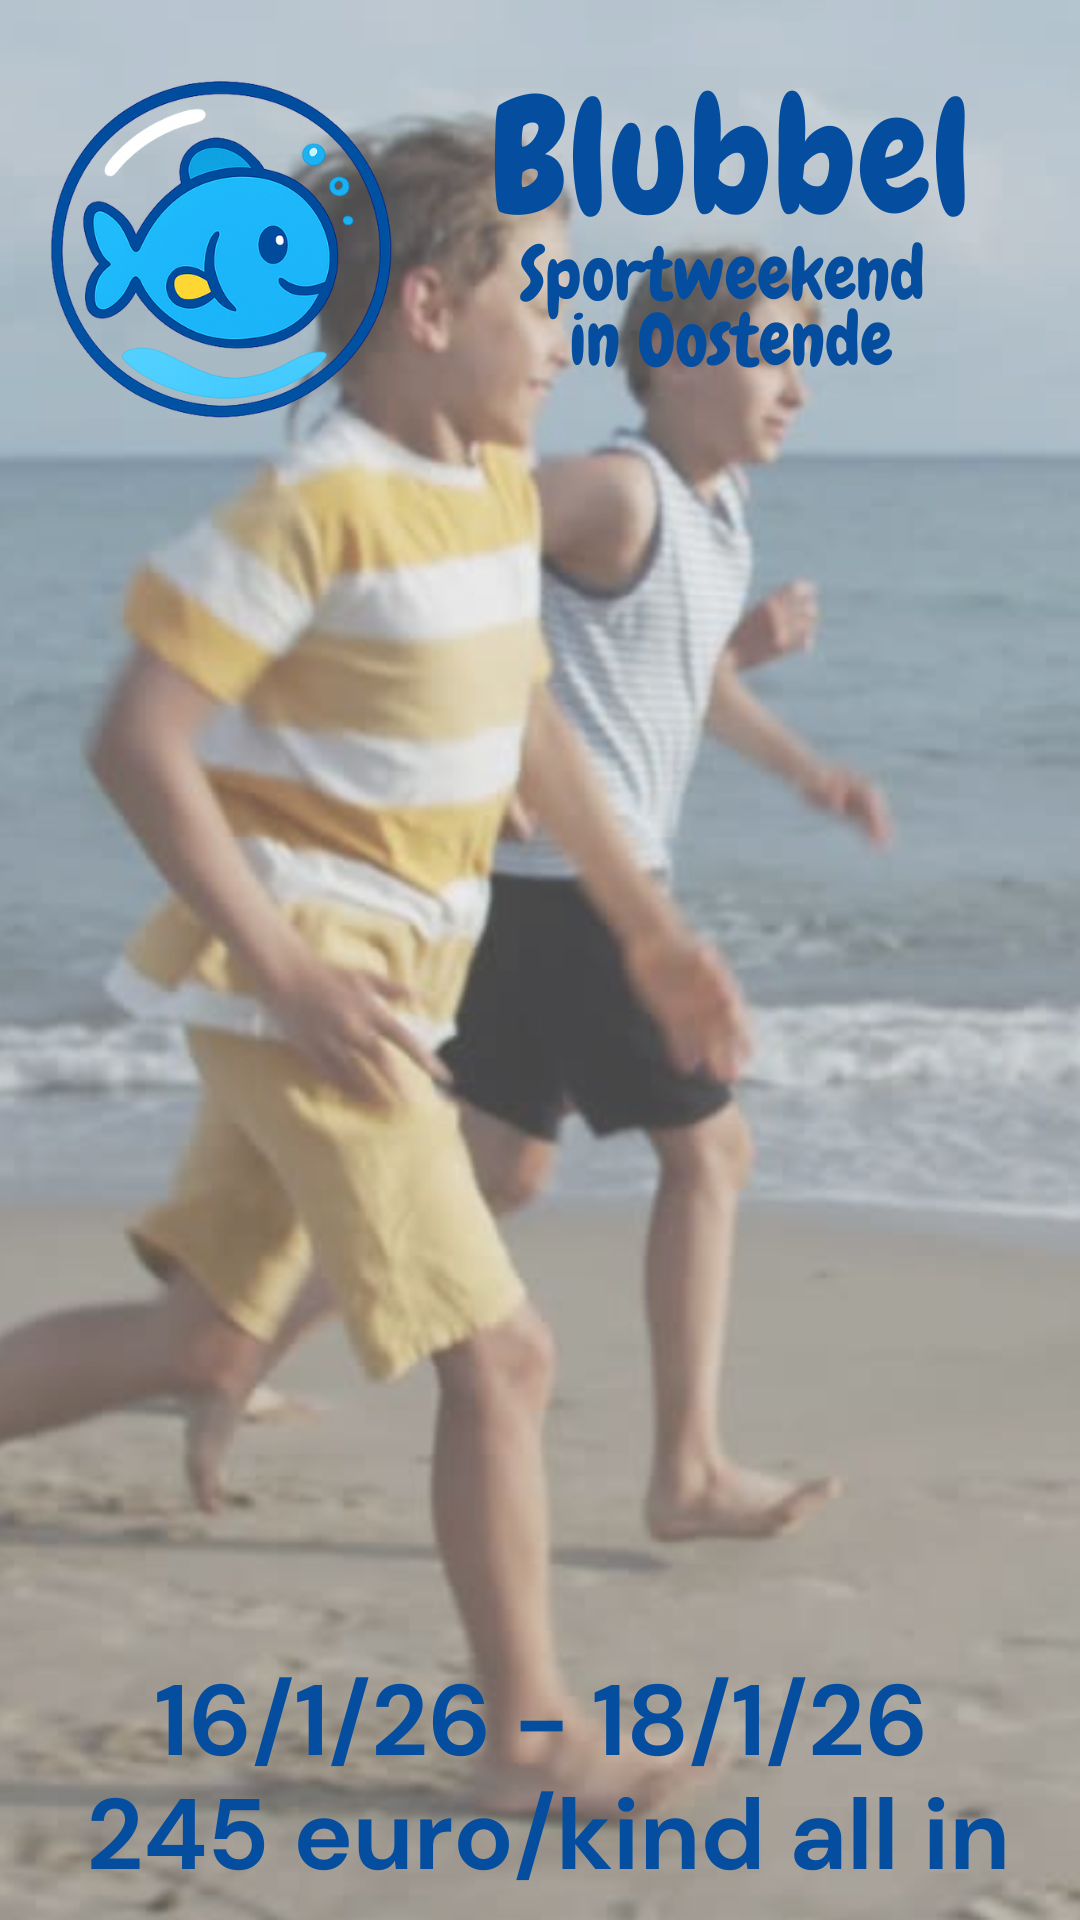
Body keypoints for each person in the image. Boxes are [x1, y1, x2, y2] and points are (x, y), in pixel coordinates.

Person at [0, 126, 749, 1816]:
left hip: (388, 981)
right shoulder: (311, 503)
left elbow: (530, 727)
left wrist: (649, 930)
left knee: (205, 1342)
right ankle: (529, 1735)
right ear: (426, 306)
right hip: (311, 992)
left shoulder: (493, 487)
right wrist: (286, 969)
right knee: (507, 1353)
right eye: (537, 298)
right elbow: (135, 741)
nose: (563, 338)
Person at [211, 250, 892, 1543]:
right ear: (678, 361)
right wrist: (477, 747)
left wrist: (806, 767)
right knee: (713, 1152)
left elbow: (682, 676)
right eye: (774, 351)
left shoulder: (716, 511)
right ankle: (686, 1471)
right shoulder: (619, 489)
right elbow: (450, 547)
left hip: (551, 889)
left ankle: (230, 1354)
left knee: (499, 1170)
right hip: (572, 884)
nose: (800, 385)